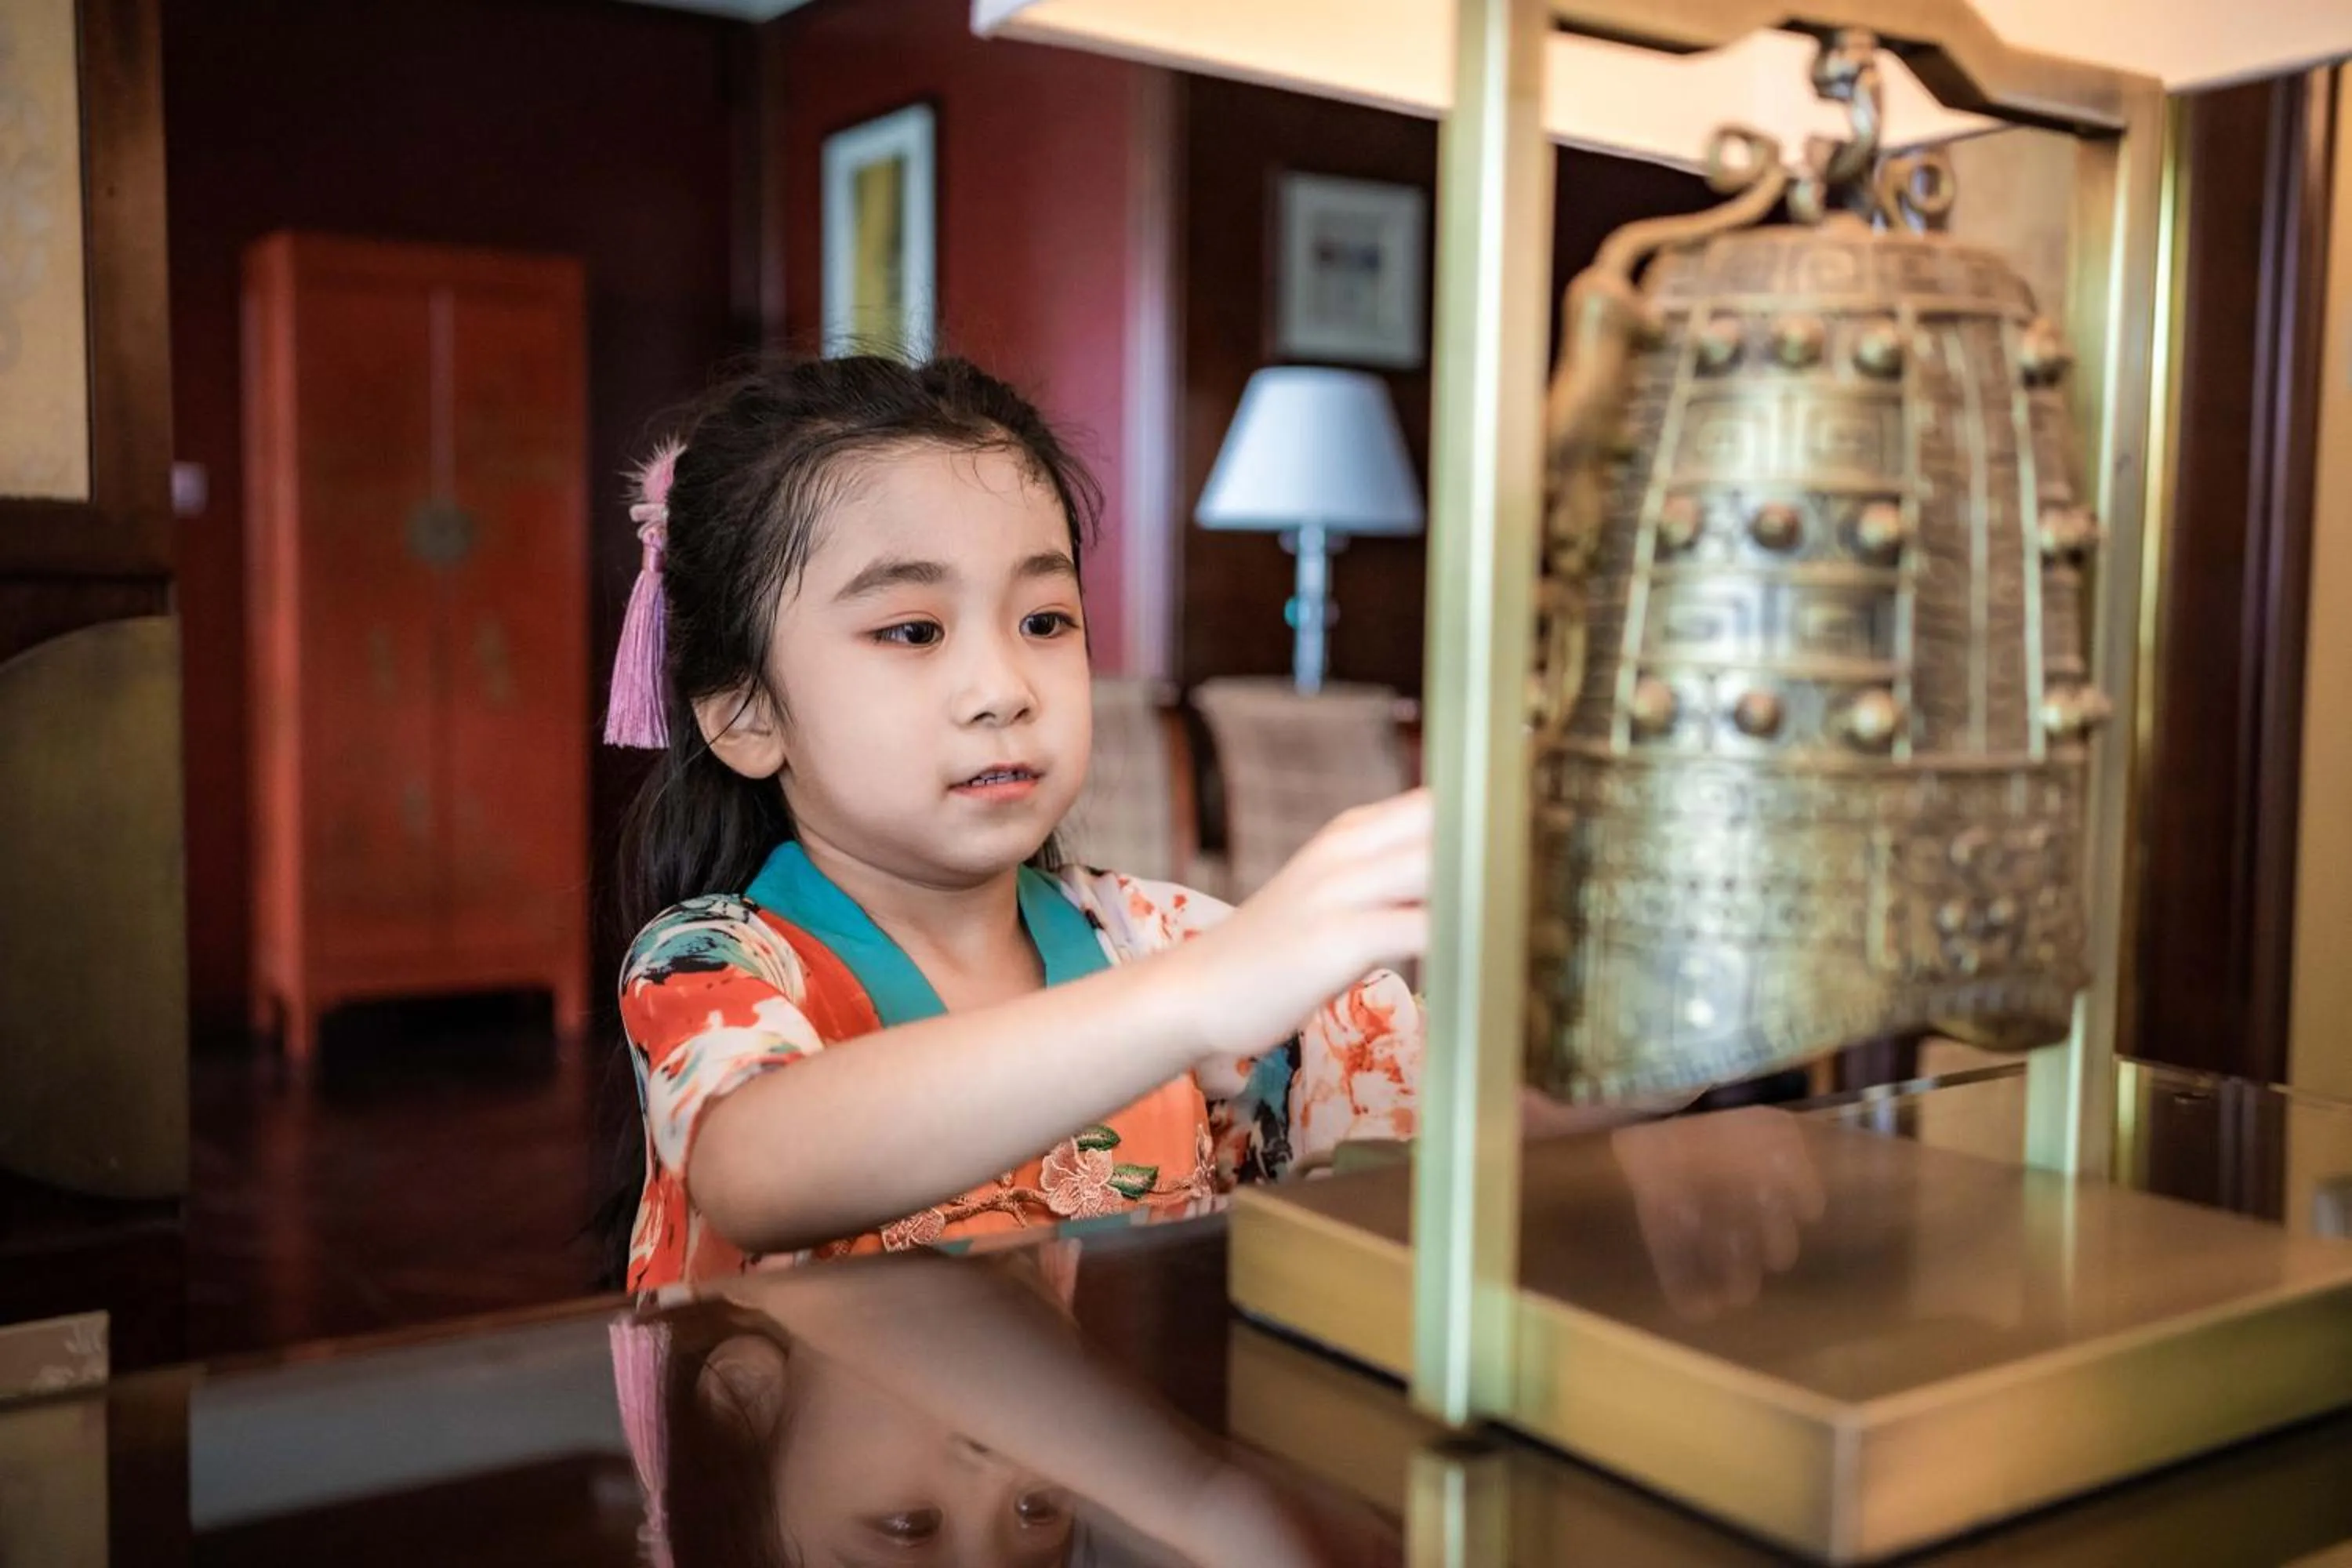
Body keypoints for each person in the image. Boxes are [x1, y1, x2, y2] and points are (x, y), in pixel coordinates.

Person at [600, 356, 1426, 1290]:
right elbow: (754, 1167)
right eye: (913, 630)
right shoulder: (715, 962)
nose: (1004, 691)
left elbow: (1459, 1126)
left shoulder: (1162, 940)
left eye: (1044, 620)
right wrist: (1190, 1000)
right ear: (747, 713)